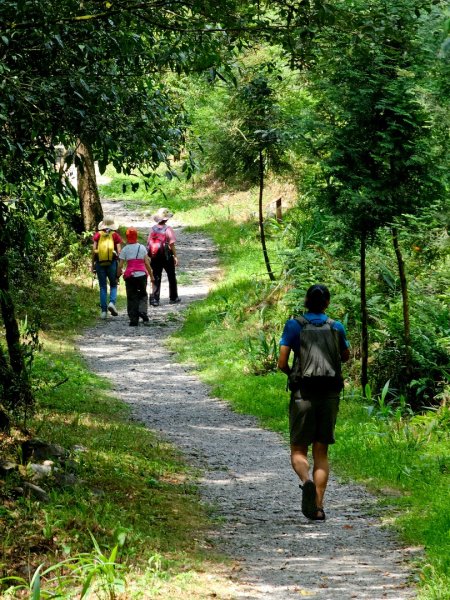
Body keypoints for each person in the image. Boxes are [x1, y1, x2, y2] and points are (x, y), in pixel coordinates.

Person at [278, 284, 350, 521]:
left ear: (306, 301)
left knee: (299, 449)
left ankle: (305, 481)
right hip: (329, 395)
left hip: (303, 394)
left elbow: (281, 362)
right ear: (327, 303)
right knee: (321, 452)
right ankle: (318, 507)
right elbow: (345, 356)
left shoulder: (294, 325)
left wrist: (293, 375)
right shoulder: (336, 326)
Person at [117, 227, 154, 326]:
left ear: (127, 237)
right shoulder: (142, 248)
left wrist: (117, 275)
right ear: (136, 236)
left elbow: (120, 265)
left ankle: (133, 319)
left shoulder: (125, 249)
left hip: (130, 276)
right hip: (141, 275)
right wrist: (152, 276)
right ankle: (142, 311)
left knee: (131, 297)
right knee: (143, 294)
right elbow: (146, 263)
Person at [147, 208, 180, 306]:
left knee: (156, 276)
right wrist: (175, 256)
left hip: (154, 256)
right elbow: (172, 244)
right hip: (166, 256)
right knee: (171, 275)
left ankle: (155, 299)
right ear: (166, 219)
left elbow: (148, 243)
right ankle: (173, 297)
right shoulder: (168, 229)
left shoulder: (152, 229)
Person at [92, 216, 122, 319]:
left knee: (103, 287)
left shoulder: (97, 235)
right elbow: (119, 252)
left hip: (99, 263)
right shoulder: (115, 236)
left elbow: (94, 251)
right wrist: (119, 265)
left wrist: (93, 265)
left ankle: (104, 312)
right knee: (113, 285)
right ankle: (112, 303)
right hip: (112, 263)